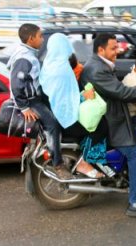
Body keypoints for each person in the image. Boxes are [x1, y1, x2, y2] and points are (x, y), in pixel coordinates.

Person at [81, 33, 136, 219]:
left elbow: (117, 86)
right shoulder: (97, 69)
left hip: (114, 115)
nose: (118, 51)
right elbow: (120, 92)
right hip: (112, 120)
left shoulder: (100, 65)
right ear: (101, 49)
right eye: (113, 48)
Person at [7, 24, 72, 179]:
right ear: (31, 39)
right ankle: (57, 163)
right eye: (40, 36)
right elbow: (17, 84)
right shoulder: (25, 57)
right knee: (52, 125)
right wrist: (24, 107)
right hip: (30, 101)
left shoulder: (26, 52)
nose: (42, 40)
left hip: (34, 96)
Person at [39, 33, 107, 179]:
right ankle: (84, 162)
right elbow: (66, 100)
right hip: (65, 119)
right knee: (100, 126)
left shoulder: (49, 64)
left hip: (54, 115)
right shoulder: (62, 70)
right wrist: (84, 97)